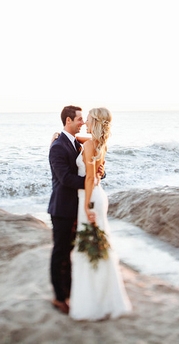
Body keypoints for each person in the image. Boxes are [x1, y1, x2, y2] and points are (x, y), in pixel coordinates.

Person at [69, 107, 132, 321]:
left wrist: (86, 206)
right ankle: (105, 296)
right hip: (98, 195)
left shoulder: (89, 145)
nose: (84, 121)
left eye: (87, 118)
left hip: (90, 198)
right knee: (99, 246)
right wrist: (64, 135)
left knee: (89, 246)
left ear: (94, 120)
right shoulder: (99, 143)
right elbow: (79, 137)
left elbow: (87, 178)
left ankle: (95, 300)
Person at [48, 105, 87, 315]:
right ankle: (59, 298)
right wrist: (91, 182)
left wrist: (98, 172)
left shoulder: (74, 143)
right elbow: (66, 179)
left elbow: (88, 162)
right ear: (68, 121)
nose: (83, 122)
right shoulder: (58, 147)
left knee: (69, 253)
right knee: (60, 253)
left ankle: (69, 292)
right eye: (80, 119)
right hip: (62, 209)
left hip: (76, 209)